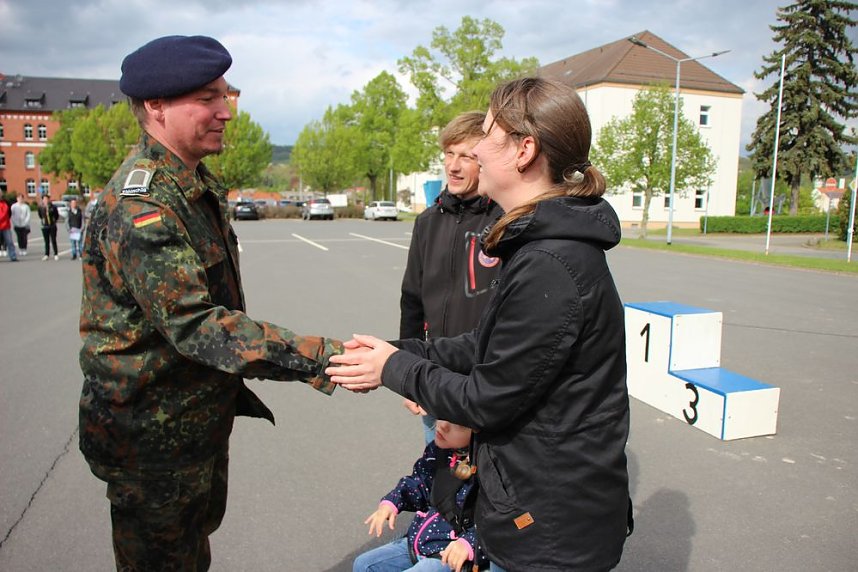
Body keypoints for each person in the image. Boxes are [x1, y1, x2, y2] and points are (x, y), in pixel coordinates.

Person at [329, 77, 632, 571]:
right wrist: (393, 353)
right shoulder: (538, 246)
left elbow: (486, 398)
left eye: (487, 134)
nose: (472, 152)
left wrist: (396, 369)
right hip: (539, 509)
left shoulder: (550, 261)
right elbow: (483, 345)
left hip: (549, 531)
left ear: (523, 150)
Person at [78, 35, 343, 571]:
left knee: (191, 553)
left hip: (191, 425)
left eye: (225, 96)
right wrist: (325, 356)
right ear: (155, 107)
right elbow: (199, 326)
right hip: (151, 441)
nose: (226, 112)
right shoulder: (144, 204)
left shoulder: (192, 183)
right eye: (207, 98)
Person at [400, 112, 502, 444]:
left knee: (483, 483)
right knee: (438, 478)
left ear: (485, 161)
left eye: (467, 157)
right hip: (435, 377)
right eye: (449, 154)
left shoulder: (505, 221)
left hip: (484, 381)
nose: (453, 166)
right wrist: (408, 374)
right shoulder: (427, 222)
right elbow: (412, 301)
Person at [353, 419, 488, 572]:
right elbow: (419, 483)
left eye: (459, 425)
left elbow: (496, 521)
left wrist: (470, 542)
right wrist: (393, 502)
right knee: (364, 564)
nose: (443, 425)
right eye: (442, 414)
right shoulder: (438, 451)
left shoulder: (487, 468)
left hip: (448, 554)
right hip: (419, 541)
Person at [38, 195, 59, 260]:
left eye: (46, 199)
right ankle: (46, 254)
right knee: (46, 241)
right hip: (45, 226)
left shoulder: (53, 207)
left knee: (53, 240)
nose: (45, 200)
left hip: (52, 225)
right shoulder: (40, 207)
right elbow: (40, 215)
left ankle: (55, 254)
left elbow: (56, 215)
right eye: (44, 199)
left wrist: (54, 220)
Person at [0, 197, 17, 262]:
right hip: (4, 224)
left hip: (5, 226)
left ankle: (13, 256)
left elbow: (9, 213)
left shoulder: (6, 203)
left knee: (9, 242)